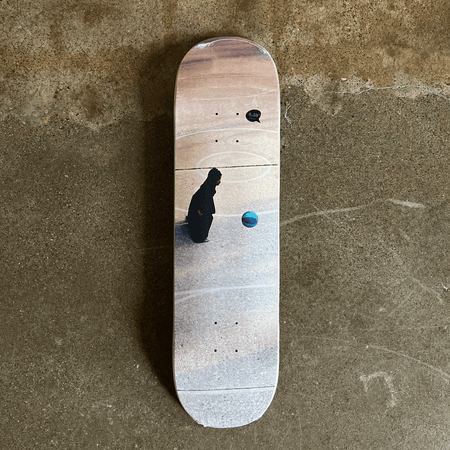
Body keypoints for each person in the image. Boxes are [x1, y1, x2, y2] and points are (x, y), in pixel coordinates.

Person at [187, 168, 222, 243]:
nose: (220, 181)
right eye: (218, 179)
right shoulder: (207, 191)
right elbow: (205, 205)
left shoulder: (207, 185)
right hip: (198, 207)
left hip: (196, 205)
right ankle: (201, 237)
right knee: (208, 217)